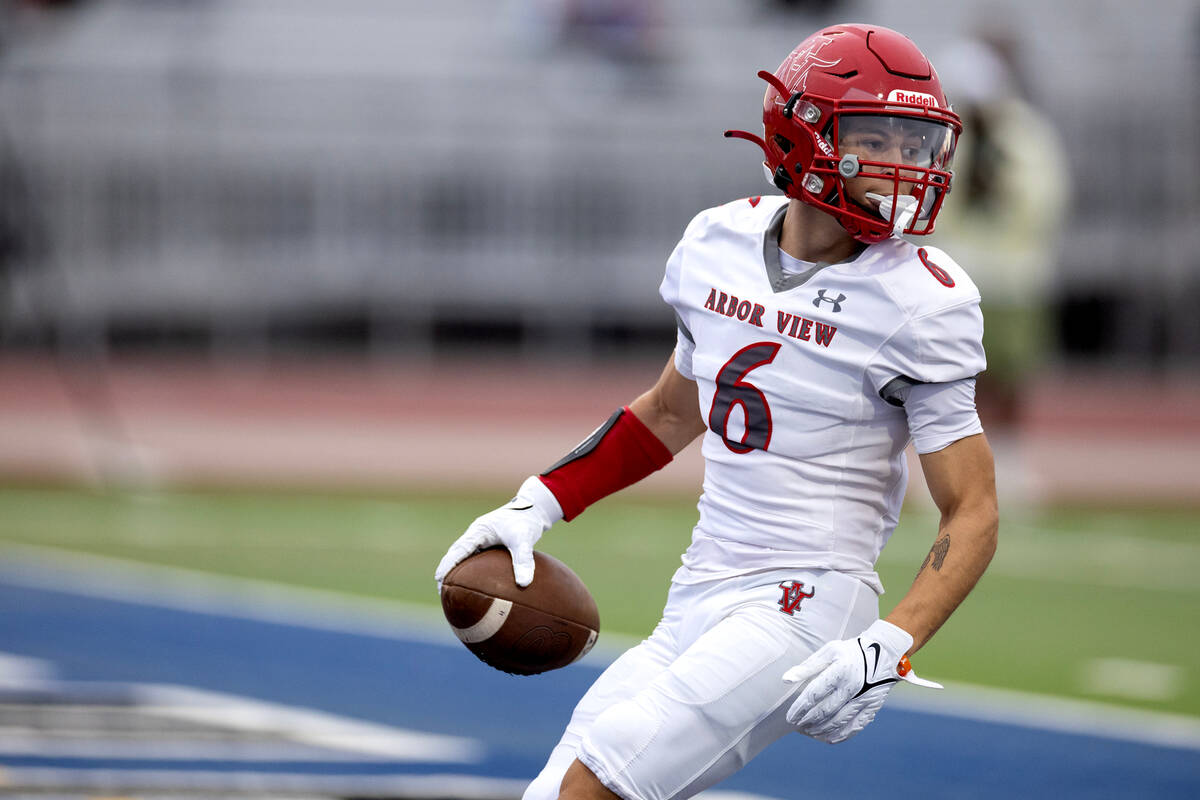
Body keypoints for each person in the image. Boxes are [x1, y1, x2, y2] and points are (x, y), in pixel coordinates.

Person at [435, 23, 999, 800]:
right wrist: (538, 502)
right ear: (801, 134)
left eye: (917, 143)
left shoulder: (921, 302)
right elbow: (670, 412)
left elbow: (972, 509)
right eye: (877, 138)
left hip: (806, 600)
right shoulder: (717, 242)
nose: (905, 165)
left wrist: (889, 645)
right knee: (551, 790)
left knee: (592, 789)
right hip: (701, 588)